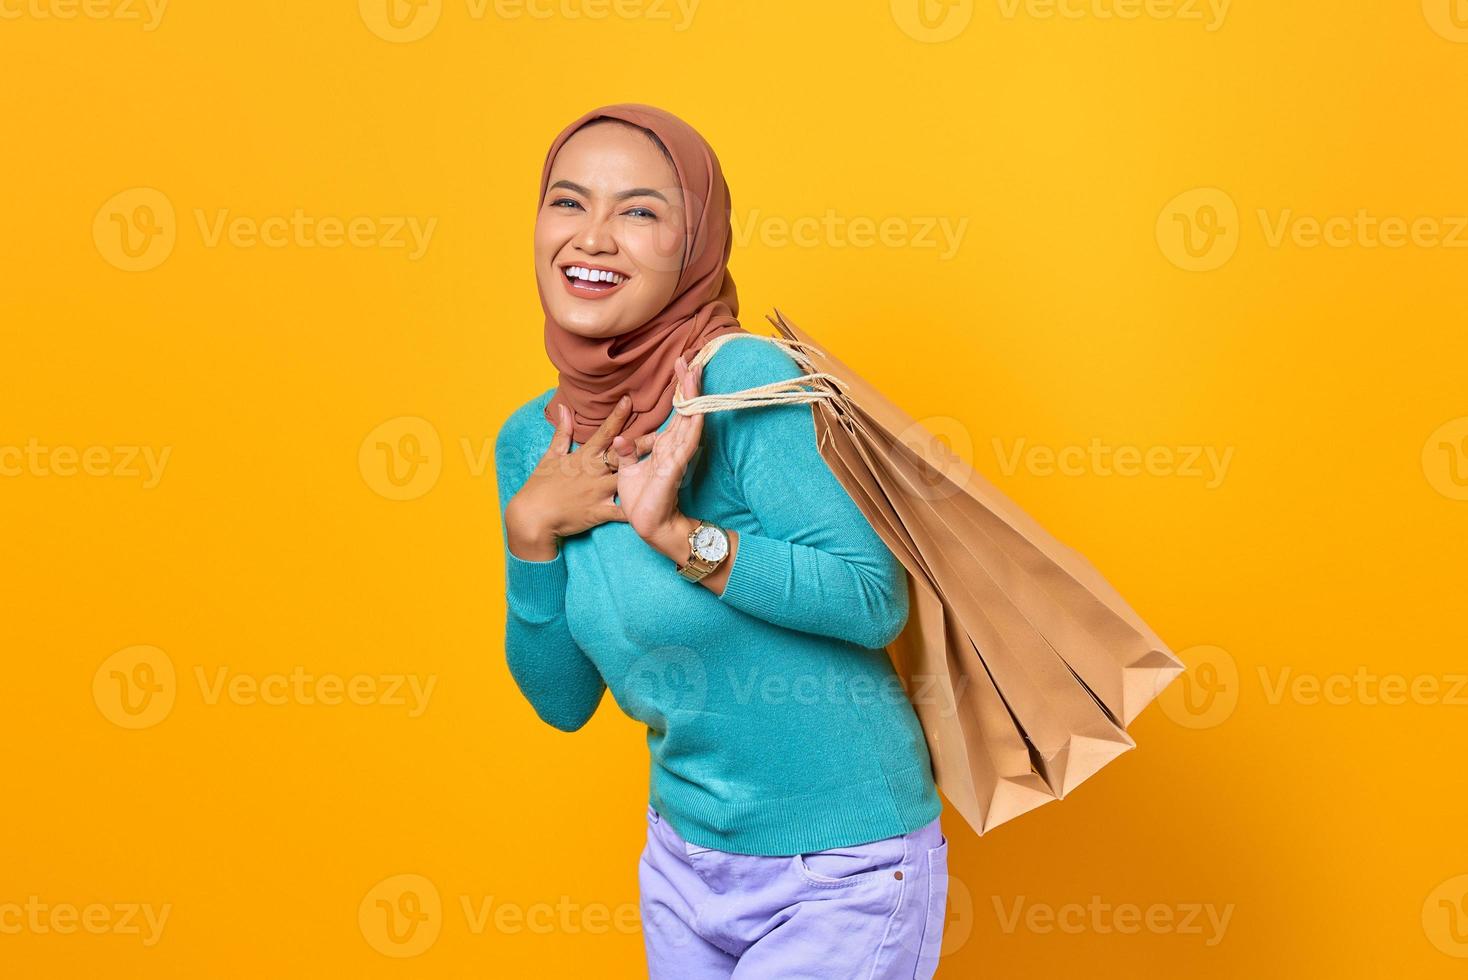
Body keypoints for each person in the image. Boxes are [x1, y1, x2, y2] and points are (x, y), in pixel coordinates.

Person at [493, 102, 949, 979]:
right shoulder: (530, 443)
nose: (592, 238)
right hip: (683, 861)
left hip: (840, 868)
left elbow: (873, 598)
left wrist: (678, 535)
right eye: (567, 202)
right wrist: (530, 537)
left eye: (639, 211)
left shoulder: (742, 382)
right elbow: (562, 703)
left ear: (697, 243)